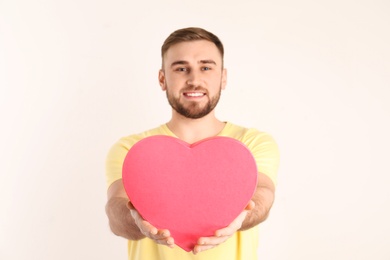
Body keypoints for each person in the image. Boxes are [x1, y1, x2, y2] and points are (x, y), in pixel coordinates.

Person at [105, 27, 279, 260]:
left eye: (206, 67)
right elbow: (116, 210)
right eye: (181, 68)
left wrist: (242, 217)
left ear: (223, 77)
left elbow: (263, 194)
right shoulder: (132, 148)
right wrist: (137, 221)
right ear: (162, 78)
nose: (194, 80)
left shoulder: (251, 143)